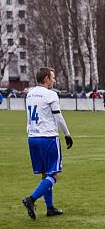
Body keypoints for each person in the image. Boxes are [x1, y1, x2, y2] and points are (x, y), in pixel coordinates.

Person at [22, 67, 74, 219]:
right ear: (46, 78)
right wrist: (67, 134)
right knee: (55, 174)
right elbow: (58, 117)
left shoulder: (30, 94)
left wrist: (30, 132)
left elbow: (27, 118)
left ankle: (50, 208)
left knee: (45, 174)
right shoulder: (51, 94)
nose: (54, 80)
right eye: (52, 77)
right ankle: (31, 199)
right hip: (48, 138)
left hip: (33, 138)